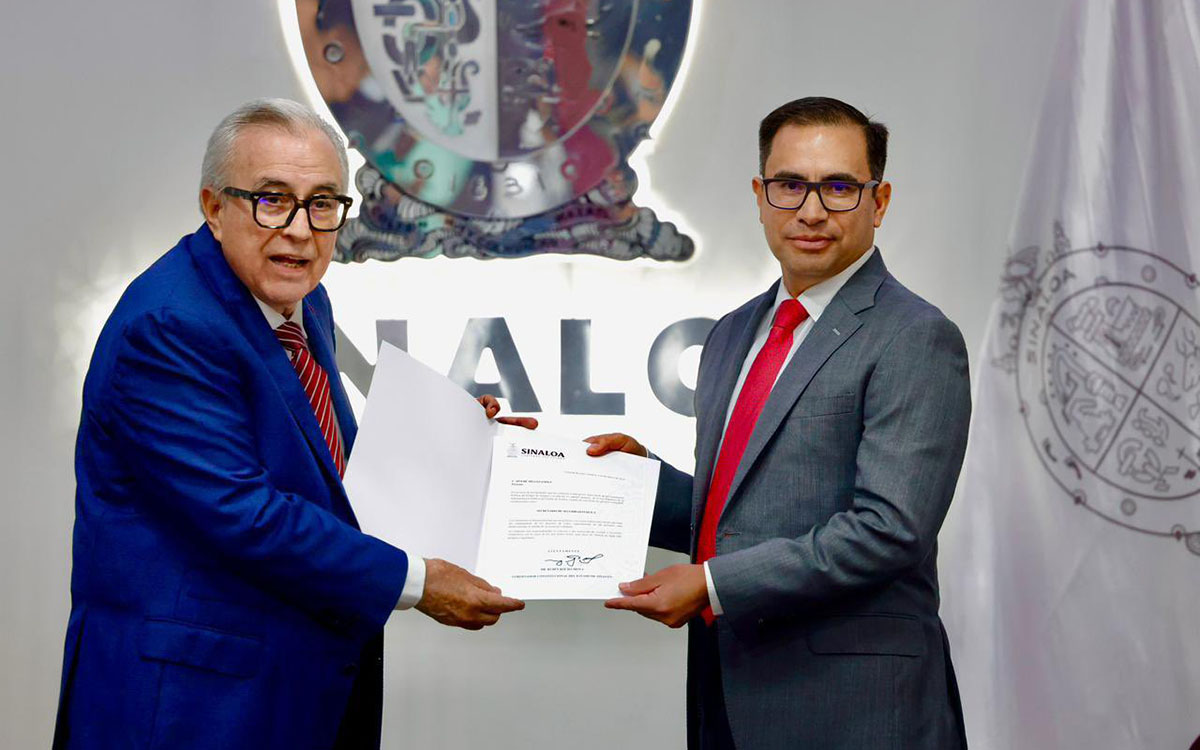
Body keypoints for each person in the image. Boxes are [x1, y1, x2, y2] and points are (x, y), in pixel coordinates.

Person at [52, 98, 530, 750]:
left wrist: (451, 440)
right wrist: (418, 583)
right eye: (272, 200)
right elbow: (245, 513)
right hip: (191, 707)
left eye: (322, 203)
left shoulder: (302, 297)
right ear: (214, 207)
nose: (301, 230)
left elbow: (316, 462)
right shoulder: (170, 326)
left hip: (286, 687)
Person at [587, 97, 970, 749]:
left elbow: (889, 530)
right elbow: (738, 516)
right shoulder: (733, 333)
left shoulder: (914, 336)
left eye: (839, 187)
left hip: (856, 713)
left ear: (878, 202)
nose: (811, 210)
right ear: (760, 197)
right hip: (727, 693)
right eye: (790, 185)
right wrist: (633, 482)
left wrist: (712, 584)